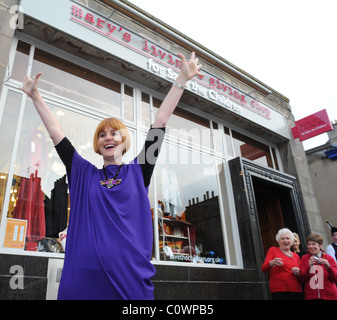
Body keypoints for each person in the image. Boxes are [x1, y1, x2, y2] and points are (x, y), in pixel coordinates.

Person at [20, 52, 202, 300]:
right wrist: (35, 96)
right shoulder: (83, 173)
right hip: (83, 280)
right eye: (102, 134)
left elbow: (160, 121)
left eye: (114, 133)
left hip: (128, 282)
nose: (108, 137)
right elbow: (56, 134)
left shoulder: (139, 170)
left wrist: (182, 78)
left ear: (123, 140)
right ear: (97, 143)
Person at [261, 228, 302, 300]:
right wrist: (272, 262)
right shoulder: (273, 250)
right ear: (278, 241)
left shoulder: (296, 256)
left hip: (296, 289)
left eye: (288, 238)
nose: (285, 241)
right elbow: (263, 269)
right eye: (283, 239)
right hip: (279, 289)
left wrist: (298, 273)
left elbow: (301, 276)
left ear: (291, 241)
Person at [300, 233, 337, 300]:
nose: (311, 246)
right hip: (312, 296)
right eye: (309, 244)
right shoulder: (304, 258)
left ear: (320, 245)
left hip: (330, 295)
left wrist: (328, 267)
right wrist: (309, 267)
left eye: (313, 244)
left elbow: (335, 278)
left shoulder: (329, 258)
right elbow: (303, 279)